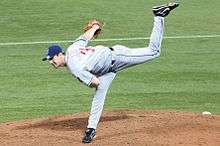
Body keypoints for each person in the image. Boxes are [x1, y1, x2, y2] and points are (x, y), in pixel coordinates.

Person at [42, 2, 179, 143]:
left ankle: (159, 16)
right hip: (107, 67)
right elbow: (86, 36)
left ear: (59, 54)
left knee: (153, 52)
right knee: (98, 97)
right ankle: (91, 129)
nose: (50, 62)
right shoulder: (72, 48)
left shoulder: (74, 67)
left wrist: (87, 80)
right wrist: (95, 27)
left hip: (117, 57)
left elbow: (95, 82)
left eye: (51, 58)